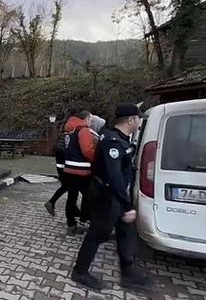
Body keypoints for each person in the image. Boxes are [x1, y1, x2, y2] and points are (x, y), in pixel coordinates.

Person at [71, 103, 151, 291]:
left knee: (126, 232)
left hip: (114, 195)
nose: (139, 122)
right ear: (131, 120)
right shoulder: (112, 142)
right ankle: (80, 271)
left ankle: (128, 273)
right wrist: (127, 205)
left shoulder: (118, 138)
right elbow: (114, 176)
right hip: (106, 196)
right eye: (138, 118)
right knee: (97, 234)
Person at [62, 110, 95, 235]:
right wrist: (95, 159)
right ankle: (84, 220)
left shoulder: (69, 131)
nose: (90, 123)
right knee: (87, 196)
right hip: (82, 170)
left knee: (71, 197)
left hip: (69, 168)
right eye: (90, 120)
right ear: (86, 119)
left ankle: (71, 223)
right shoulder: (83, 130)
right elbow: (87, 151)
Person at [78, 114, 107, 224]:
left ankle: (84, 216)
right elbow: (89, 152)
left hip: (85, 168)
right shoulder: (92, 135)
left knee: (84, 194)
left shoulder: (87, 133)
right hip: (88, 169)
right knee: (88, 195)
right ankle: (86, 217)